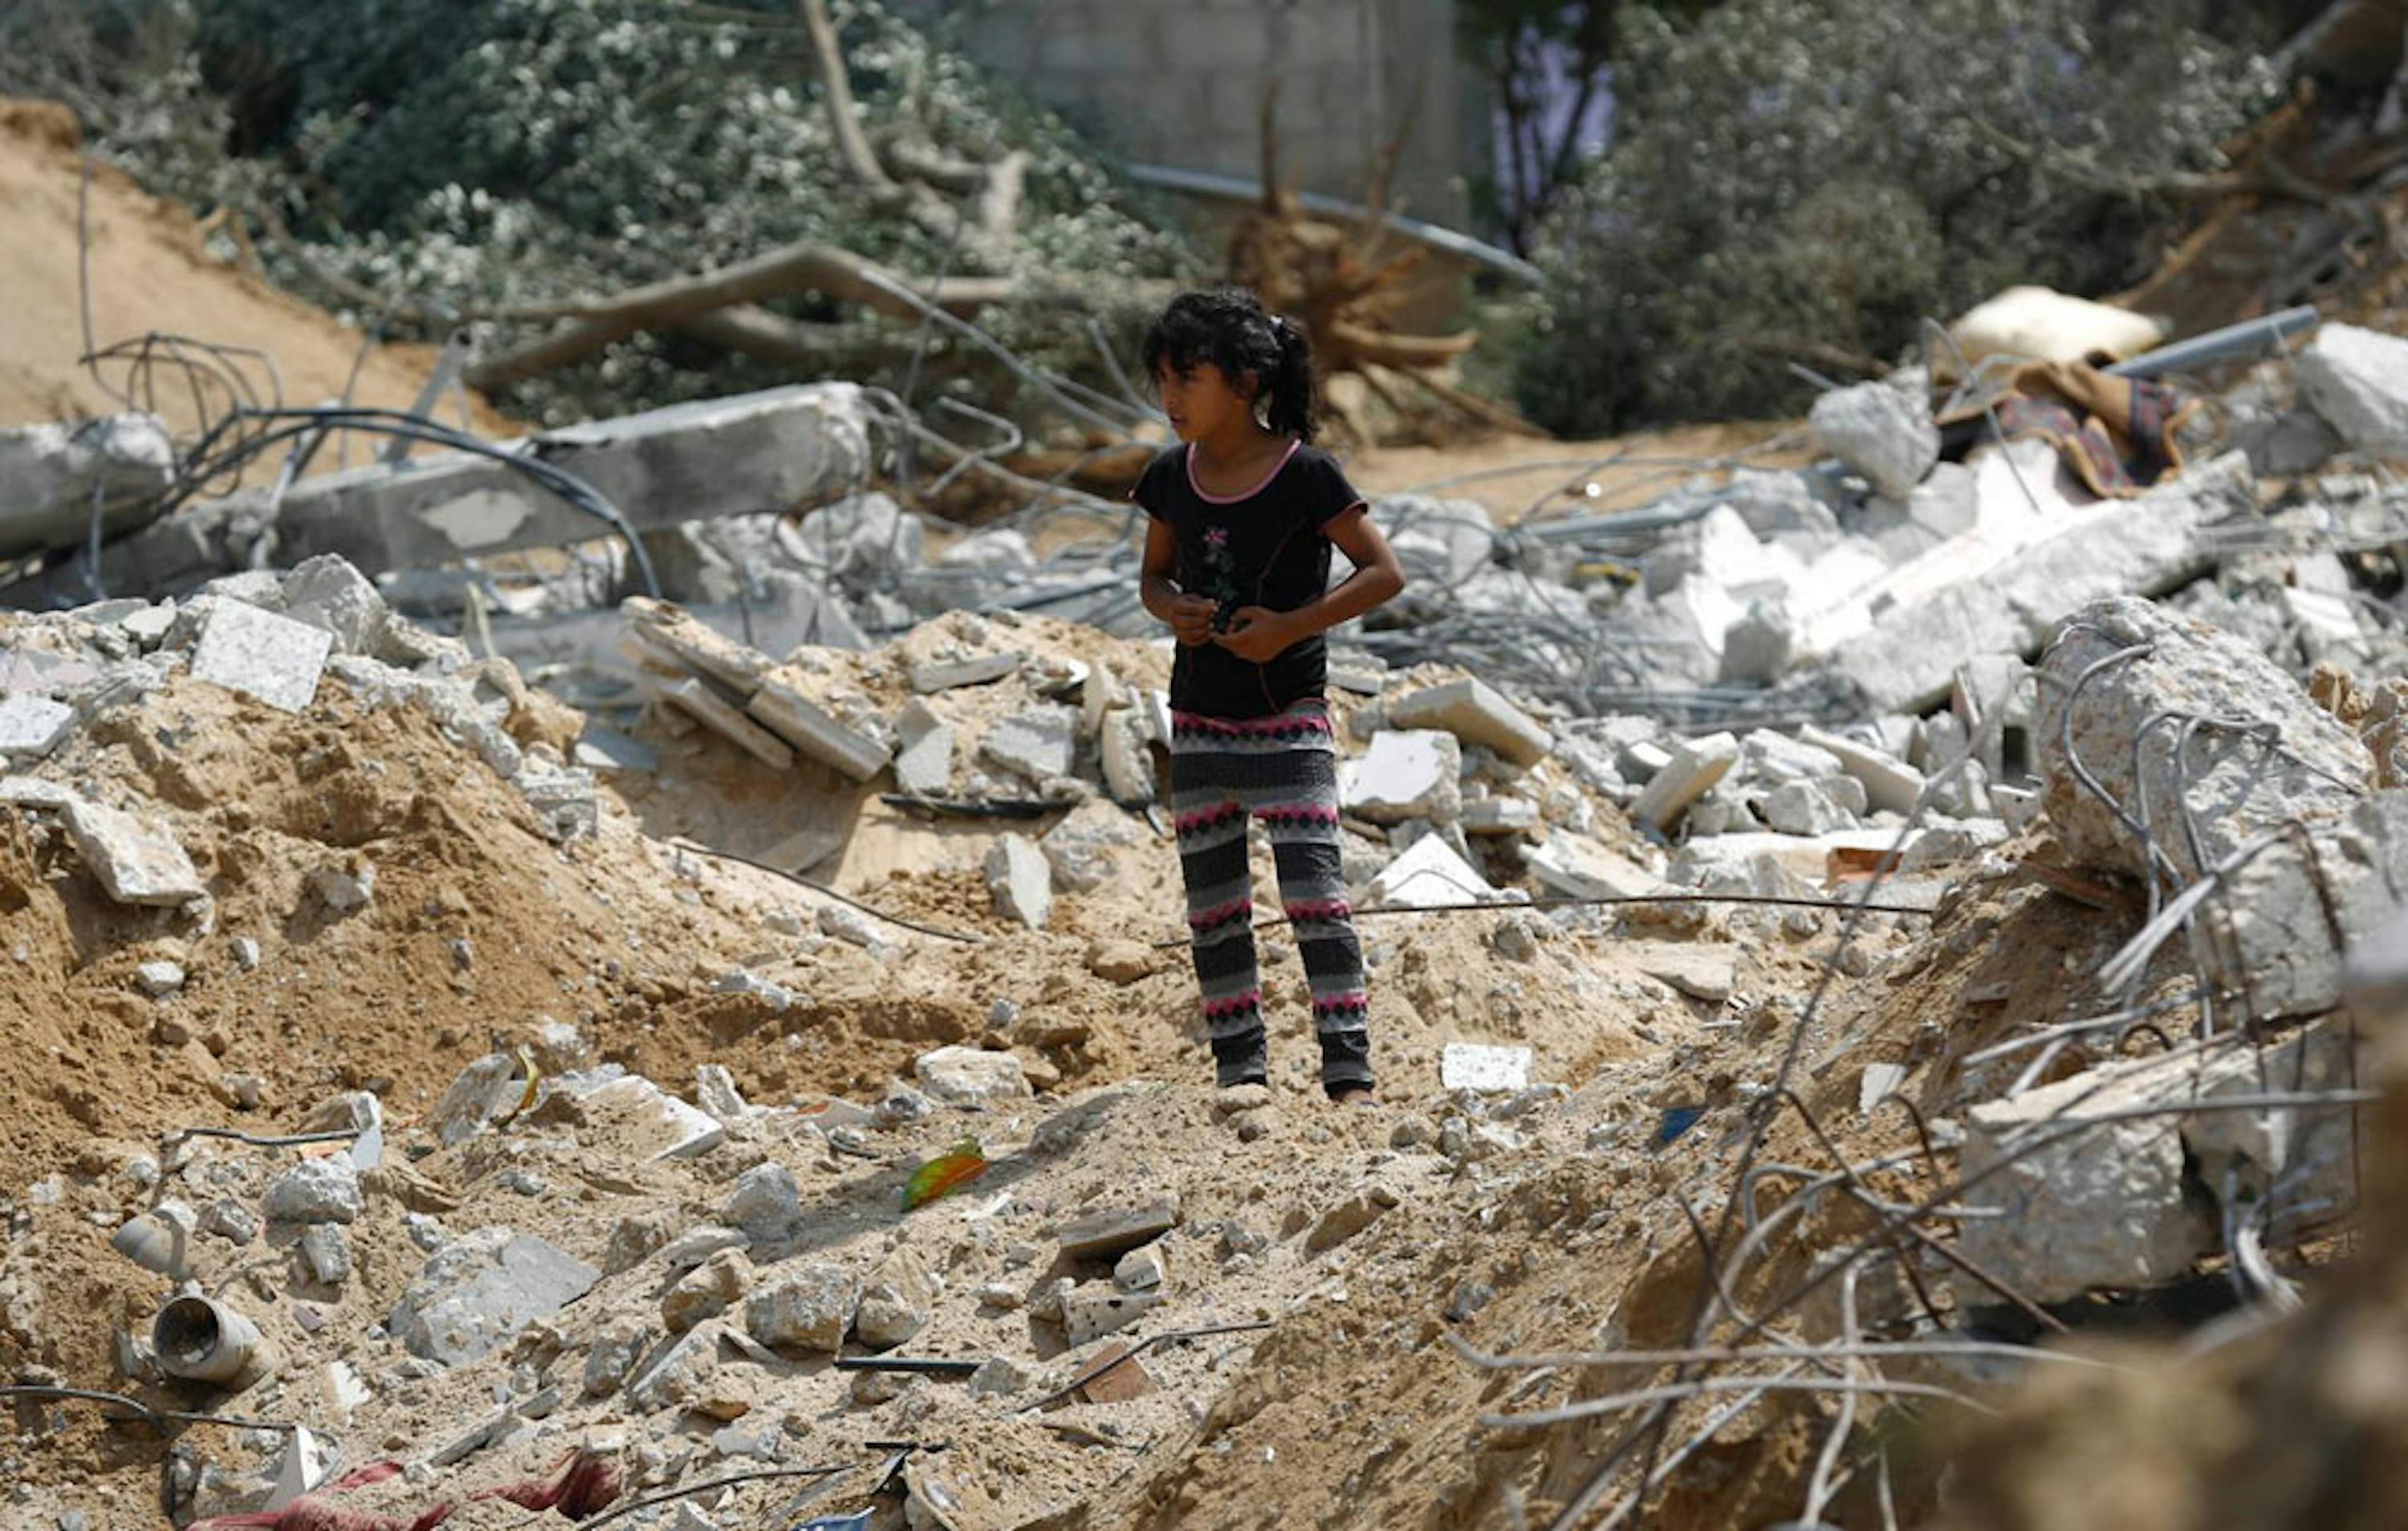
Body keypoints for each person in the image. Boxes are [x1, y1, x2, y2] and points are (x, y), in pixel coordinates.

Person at [1129, 286, 1407, 1108]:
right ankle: (1241, 1074)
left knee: (1317, 900)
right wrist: (1168, 606)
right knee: (1214, 914)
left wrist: (1290, 627)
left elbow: (1383, 573)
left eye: (1188, 378)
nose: (1170, 398)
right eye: (1163, 379)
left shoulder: (1307, 475)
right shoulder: (1167, 477)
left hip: (1289, 722)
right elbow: (1152, 574)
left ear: (1244, 384)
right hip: (1200, 725)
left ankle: (1347, 1076)